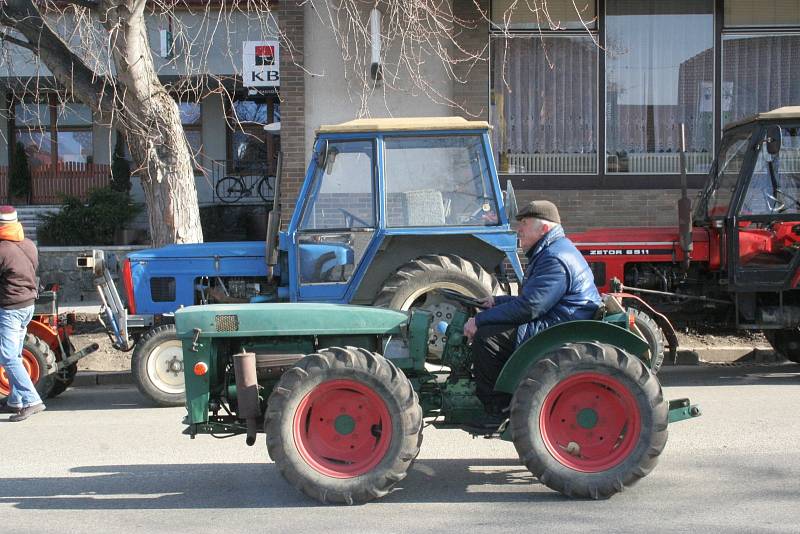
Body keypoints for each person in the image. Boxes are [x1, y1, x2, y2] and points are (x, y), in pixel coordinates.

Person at [462, 200, 601, 433]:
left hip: (560, 326)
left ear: (543, 229)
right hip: (558, 318)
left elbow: (531, 308)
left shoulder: (554, 258)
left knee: (488, 338)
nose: (519, 230)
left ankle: (497, 410)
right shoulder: (552, 250)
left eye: (524, 223)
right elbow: (534, 299)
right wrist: (495, 302)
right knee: (492, 323)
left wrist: (479, 321)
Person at [0, 205, 45, 422]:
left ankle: (31, 400)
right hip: (28, 305)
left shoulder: (2, 249)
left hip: (10, 308)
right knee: (15, 354)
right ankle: (15, 401)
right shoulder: (29, 245)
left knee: (8, 356)